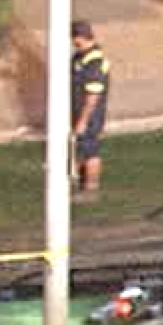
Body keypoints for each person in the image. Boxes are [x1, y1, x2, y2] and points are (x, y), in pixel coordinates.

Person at [71, 18, 110, 198]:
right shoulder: (81, 56)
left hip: (90, 115)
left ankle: (91, 189)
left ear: (80, 38)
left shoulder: (94, 63)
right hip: (79, 111)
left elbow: (93, 97)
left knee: (90, 149)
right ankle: (76, 178)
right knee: (80, 147)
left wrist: (83, 121)